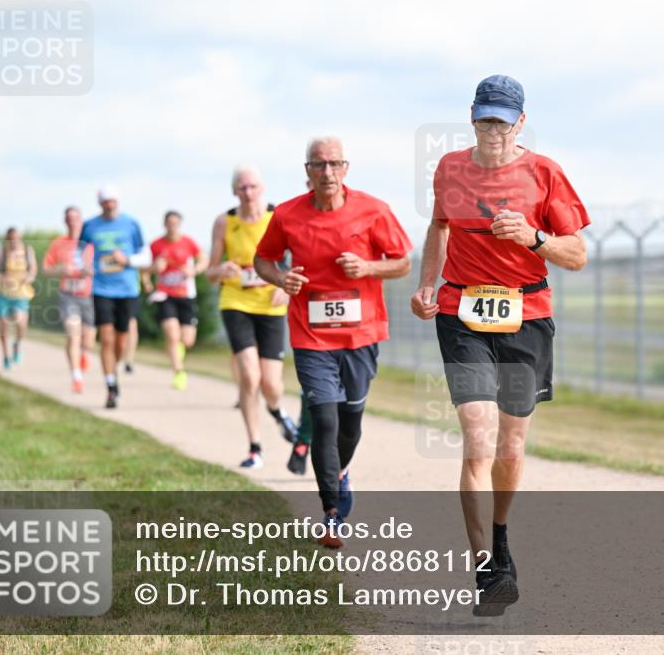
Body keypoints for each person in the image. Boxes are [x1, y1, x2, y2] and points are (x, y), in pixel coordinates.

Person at [410, 75, 589, 616]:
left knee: (511, 449)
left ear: (521, 122)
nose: (493, 129)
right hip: (462, 314)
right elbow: (439, 227)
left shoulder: (545, 173)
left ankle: (502, 538)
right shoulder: (449, 169)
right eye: (485, 118)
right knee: (478, 439)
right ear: (471, 116)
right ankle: (487, 569)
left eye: (502, 121)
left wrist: (534, 238)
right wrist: (427, 285)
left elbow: (577, 253)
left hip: (526, 317)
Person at [255, 135, 413, 547]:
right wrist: (280, 278)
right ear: (307, 171)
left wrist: (367, 267)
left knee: (350, 422)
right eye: (318, 165)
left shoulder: (374, 211)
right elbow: (263, 259)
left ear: (346, 169)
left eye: (334, 164)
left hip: (361, 335)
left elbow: (402, 263)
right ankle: (331, 514)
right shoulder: (288, 215)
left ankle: (340, 472)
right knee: (323, 418)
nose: (327, 172)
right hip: (311, 335)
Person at [206, 164, 297, 468]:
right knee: (249, 374)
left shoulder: (278, 217)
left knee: (271, 383)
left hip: (271, 303)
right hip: (236, 302)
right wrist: (220, 271)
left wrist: (285, 285)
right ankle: (255, 448)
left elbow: (301, 260)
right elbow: (209, 271)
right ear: (234, 191)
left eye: (252, 187)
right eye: (242, 187)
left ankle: (278, 412)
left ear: (263, 188)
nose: (247, 193)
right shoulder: (224, 222)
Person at [80, 185, 145, 409]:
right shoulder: (90, 226)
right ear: (100, 203)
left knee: (121, 340)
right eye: (105, 202)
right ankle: (111, 386)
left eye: (113, 201)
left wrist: (126, 260)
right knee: (106, 338)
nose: (109, 205)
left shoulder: (131, 224)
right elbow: (80, 253)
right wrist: (85, 266)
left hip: (127, 289)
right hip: (101, 288)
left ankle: (113, 370)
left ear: (118, 202)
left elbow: (144, 254)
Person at [149, 210, 207, 390]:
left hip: (186, 295)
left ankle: (178, 351)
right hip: (165, 295)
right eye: (169, 222)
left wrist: (194, 270)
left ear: (179, 224)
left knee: (187, 340)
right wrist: (154, 268)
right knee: (172, 335)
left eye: (175, 222)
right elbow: (145, 268)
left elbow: (203, 259)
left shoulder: (188, 242)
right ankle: (179, 372)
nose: (172, 226)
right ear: (164, 224)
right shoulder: (156, 245)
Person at [42, 206, 96, 393]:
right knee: (73, 335)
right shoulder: (58, 243)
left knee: (88, 339)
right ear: (65, 221)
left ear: (81, 220)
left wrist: (91, 271)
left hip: (89, 296)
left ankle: (85, 353)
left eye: (76, 218)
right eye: (69, 218)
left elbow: (103, 266)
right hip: (68, 296)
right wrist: (60, 270)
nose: (72, 221)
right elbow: (46, 268)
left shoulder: (90, 243)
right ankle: (76, 376)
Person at [0, 227, 37, 369]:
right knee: (4, 325)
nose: (14, 241)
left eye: (16, 237)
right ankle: (5, 356)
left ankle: (17, 344)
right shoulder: (2, 252)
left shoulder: (27, 250)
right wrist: (2, 278)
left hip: (21, 293)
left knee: (20, 323)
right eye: (11, 238)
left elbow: (33, 269)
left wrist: (29, 278)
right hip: (5, 294)